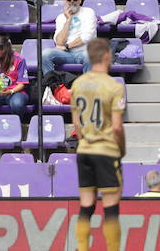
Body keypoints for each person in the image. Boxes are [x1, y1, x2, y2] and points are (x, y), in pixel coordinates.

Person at [72, 38, 127, 251]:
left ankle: (82, 248)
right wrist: (121, 150)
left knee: (86, 204)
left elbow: (76, 122)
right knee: (111, 206)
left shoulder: (78, 84)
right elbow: (116, 127)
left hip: (84, 149)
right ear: (106, 56)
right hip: (106, 151)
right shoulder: (113, 85)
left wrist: (84, 142)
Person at [42, 0, 99, 75]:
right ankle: (52, 85)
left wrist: (67, 46)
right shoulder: (61, 17)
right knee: (45, 54)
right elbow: (59, 42)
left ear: (80, 0)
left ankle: (88, 86)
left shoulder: (88, 12)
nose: (72, 1)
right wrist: (68, 20)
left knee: (90, 56)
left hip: (84, 51)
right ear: (65, 1)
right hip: (66, 54)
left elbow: (87, 37)